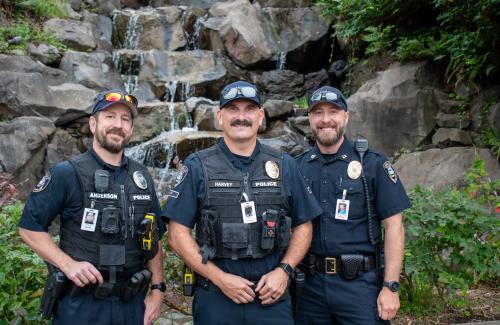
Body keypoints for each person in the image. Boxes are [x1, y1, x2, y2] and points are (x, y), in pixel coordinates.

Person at [164, 80, 322, 324]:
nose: (241, 117)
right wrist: (219, 278)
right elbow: (176, 234)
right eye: (232, 109)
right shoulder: (198, 166)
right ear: (219, 116)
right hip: (216, 298)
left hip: (271, 298)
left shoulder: (283, 165)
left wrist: (284, 270)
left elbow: (304, 225)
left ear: (260, 116)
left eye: (249, 109)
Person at [18, 89, 166, 325]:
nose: (118, 125)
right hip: (81, 306)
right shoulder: (67, 173)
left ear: (131, 129)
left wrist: (158, 290)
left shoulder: (142, 176)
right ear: (92, 124)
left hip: (131, 305)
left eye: (125, 119)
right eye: (110, 117)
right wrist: (68, 264)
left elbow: (154, 235)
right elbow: (29, 228)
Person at [295, 86, 411, 324]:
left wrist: (391, 286)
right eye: (318, 113)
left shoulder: (373, 164)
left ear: (346, 117)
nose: (326, 120)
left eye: (333, 112)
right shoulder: (297, 168)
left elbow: (394, 227)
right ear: (310, 119)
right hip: (310, 288)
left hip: (360, 286)